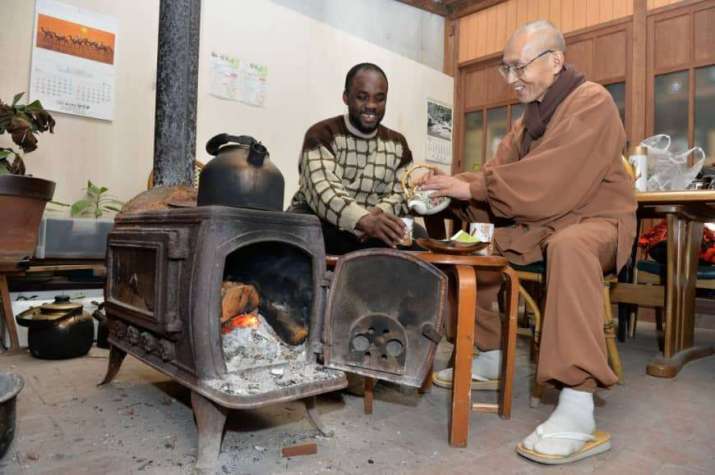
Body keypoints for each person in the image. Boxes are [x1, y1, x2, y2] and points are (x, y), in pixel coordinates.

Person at [421, 20, 636, 464]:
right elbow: (492, 175)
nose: (512, 78)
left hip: (596, 222)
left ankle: (578, 406)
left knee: (570, 247)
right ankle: (492, 350)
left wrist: (474, 187)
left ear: (555, 61)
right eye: (506, 69)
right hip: (544, 222)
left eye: (518, 67)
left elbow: (553, 180)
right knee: (473, 238)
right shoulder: (527, 123)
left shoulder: (592, 102)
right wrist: (448, 183)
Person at [289, 63, 418, 255]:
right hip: (325, 222)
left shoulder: (398, 143)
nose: (371, 106)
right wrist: (361, 220)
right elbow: (323, 191)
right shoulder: (322, 134)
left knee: (418, 240)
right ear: (346, 97)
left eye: (379, 99)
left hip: (375, 227)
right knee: (302, 231)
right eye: (362, 97)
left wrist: (377, 217)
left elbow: (403, 192)